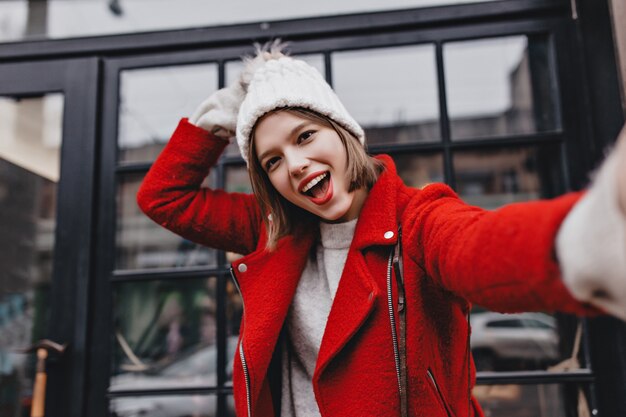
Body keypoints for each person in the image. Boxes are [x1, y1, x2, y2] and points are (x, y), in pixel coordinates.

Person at [137, 41, 626, 417]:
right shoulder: (272, 230)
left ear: (343, 133)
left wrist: (583, 241)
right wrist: (214, 125)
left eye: (306, 136)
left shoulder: (418, 218)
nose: (297, 164)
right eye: (272, 161)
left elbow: (477, 248)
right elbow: (163, 199)